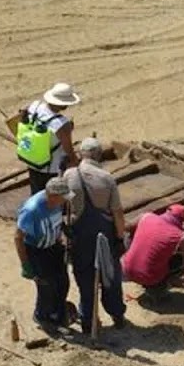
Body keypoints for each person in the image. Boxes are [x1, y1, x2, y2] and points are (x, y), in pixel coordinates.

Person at [63, 138, 129, 330]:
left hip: (79, 236)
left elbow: (64, 206)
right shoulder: (106, 178)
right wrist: (119, 238)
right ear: (99, 155)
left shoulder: (69, 175)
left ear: (81, 154)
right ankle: (117, 316)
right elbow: (117, 213)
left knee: (85, 280)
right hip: (104, 236)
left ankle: (88, 320)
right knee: (111, 278)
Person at [14, 176, 74, 329]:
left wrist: (65, 230)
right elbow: (18, 237)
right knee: (46, 286)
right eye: (63, 198)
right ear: (53, 196)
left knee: (62, 282)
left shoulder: (57, 203)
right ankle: (42, 316)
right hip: (37, 251)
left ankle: (57, 312)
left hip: (54, 246)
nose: (66, 201)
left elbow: (58, 219)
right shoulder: (32, 210)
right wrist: (26, 264)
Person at [10, 82, 81, 194]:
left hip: (32, 159)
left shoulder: (35, 105)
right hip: (50, 168)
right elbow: (69, 151)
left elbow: (20, 115)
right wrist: (75, 162)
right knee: (51, 198)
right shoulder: (61, 124)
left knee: (36, 193)